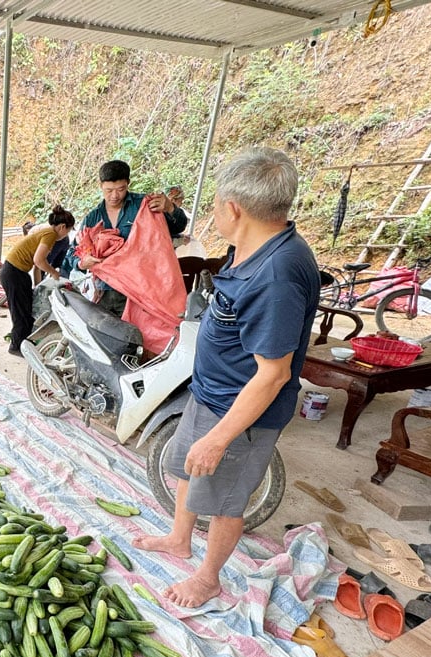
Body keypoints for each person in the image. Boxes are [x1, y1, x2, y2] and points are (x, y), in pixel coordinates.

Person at [137, 147, 321, 608]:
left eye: (215, 205)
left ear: (233, 209)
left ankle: (208, 578)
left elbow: (273, 374)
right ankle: (180, 539)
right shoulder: (255, 247)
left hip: (242, 414)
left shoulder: (277, 275)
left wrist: (220, 437)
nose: (213, 214)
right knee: (184, 466)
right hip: (211, 393)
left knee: (224, 500)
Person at [68, 160, 187, 316]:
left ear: (128, 184)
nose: (115, 196)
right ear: (100, 185)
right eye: (109, 190)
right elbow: (72, 252)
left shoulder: (144, 206)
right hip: (105, 291)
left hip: (142, 290)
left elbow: (178, 227)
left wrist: (170, 208)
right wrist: (82, 263)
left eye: (121, 189)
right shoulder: (93, 217)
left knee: (142, 336)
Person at [1, 204, 75, 357]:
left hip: (18, 273)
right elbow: (39, 261)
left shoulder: (47, 232)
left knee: (26, 309)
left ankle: (24, 343)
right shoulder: (50, 235)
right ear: (62, 227)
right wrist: (54, 273)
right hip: (13, 272)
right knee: (21, 313)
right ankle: (17, 346)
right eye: (68, 230)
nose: (67, 234)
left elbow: (37, 265)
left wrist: (38, 285)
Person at [167, 185, 206, 258]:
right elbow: (160, 238)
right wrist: (178, 241)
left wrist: (180, 237)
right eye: (180, 201)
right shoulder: (161, 214)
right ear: (172, 200)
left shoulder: (175, 213)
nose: (181, 203)